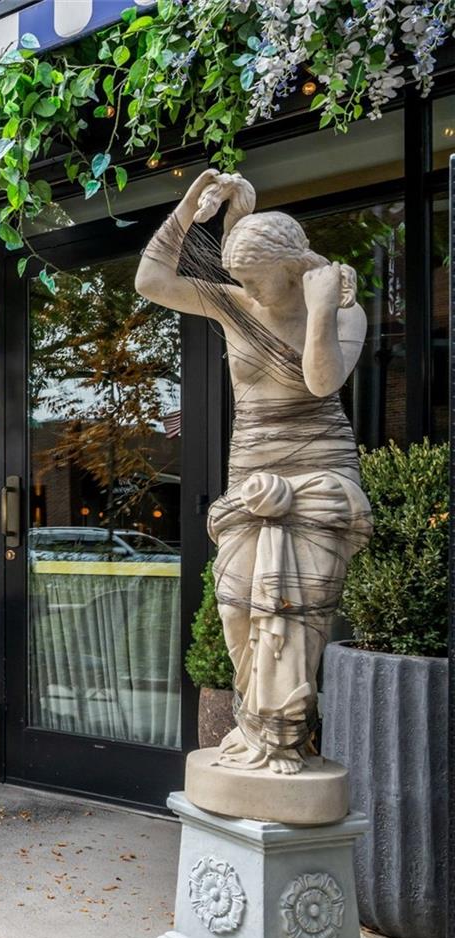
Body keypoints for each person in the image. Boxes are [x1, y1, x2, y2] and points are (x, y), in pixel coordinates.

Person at [134, 168, 372, 775]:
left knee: (294, 613)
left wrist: (317, 311)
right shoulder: (235, 303)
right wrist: (189, 209)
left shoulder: (343, 309)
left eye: (255, 277)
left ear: (293, 269)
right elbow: (152, 280)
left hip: (321, 477)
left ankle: (287, 734)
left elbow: (321, 381)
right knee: (237, 607)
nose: (245, 287)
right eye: (238, 278)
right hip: (251, 479)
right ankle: (254, 730)